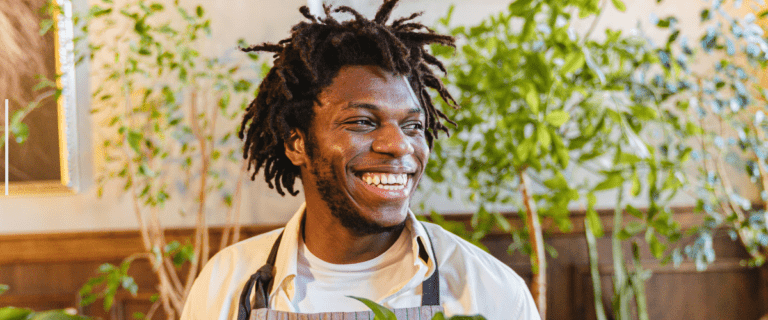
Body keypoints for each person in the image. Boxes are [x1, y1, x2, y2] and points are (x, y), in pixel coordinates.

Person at [181, 1, 540, 319]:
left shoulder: (487, 291)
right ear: (296, 143)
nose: (398, 145)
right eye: (362, 122)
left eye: (413, 125)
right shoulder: (225, 284)